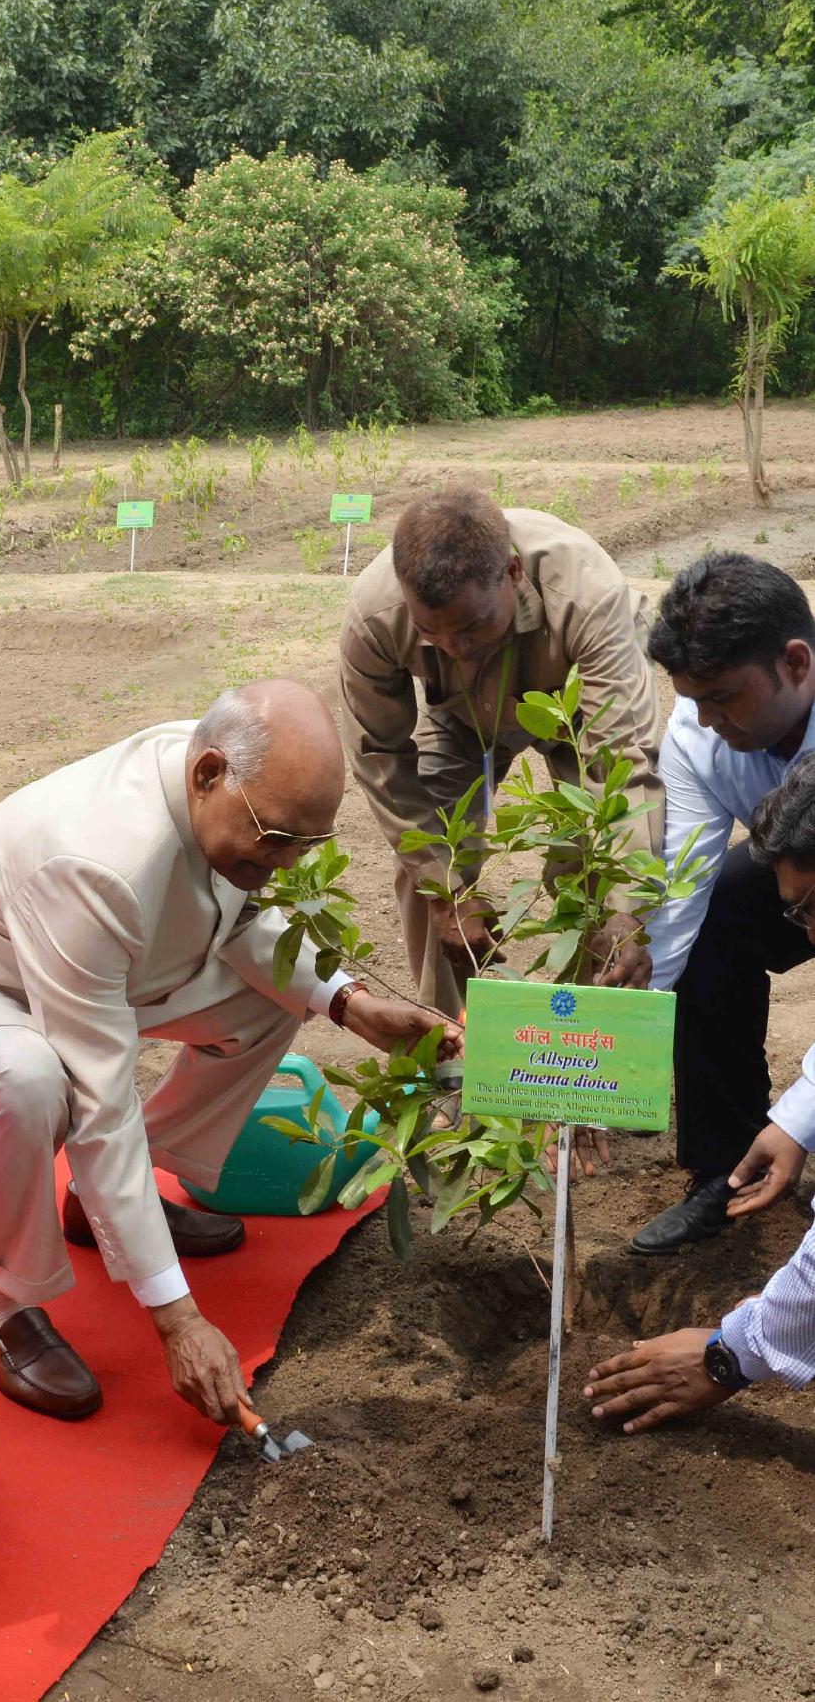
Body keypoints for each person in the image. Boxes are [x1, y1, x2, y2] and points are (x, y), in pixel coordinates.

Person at [0, 680, 463, 1423]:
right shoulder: (97, 863)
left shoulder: (241, 784)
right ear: (207, 773)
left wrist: (349, 1004)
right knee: (30, 1081)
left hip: (98, 961)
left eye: (307, 844)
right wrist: (178, 1321)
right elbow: (100, 1105)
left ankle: (101, 1208)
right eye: (277, 840)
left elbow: (238, 916)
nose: (288, 862)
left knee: (275, 996)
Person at [338, 486, 664, 1016]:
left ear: (512, 573)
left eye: (472, 627)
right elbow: (379, 757)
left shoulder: (587, 594)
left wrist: (629, 911)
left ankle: (585, 1032)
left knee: (594, 857)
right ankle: (449, 1038)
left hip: (576, 710)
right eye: (431, 633)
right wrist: (445, 891)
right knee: (426, 856)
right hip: (459, 715)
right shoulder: (375, 615)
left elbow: (624, 763)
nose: (455, 649)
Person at [586, 752, 815, 1429]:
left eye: (809, 907)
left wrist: (731, 1352)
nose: (808, 936)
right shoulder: (696, 744)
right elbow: (683, 903)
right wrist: (797, 1119)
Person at [632, 554, 815, 1254]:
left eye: (723, 698)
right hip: (802, 868)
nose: (706, 719)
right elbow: (681, 891)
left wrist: (799, 1119)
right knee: (715, 915)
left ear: (795, 663)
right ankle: (729, 1165)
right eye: (694, 699)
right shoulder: (698, 728)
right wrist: (607, 1052)